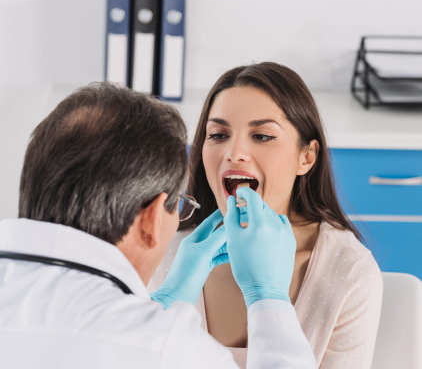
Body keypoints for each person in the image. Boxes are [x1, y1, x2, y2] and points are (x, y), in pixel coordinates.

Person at [0, 82, 317, 368]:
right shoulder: (171, 351)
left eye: (261, 136)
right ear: (152, 220)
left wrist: (165, 301)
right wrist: (269, 299)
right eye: (178, 203)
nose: (235, 154)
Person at [149, 62, 383, 368]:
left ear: (307, 157)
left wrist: (266, 296)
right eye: (218, 135)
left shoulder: (349, 271)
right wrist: (161, 308)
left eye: (261, 136)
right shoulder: (167, 255)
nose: (234, 152)